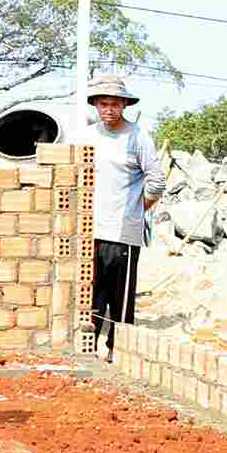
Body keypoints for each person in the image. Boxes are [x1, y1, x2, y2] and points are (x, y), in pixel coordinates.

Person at [78, 73, 164, 360]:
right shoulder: (88, 136)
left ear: (124, 105)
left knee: (121, 298)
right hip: (91, 229)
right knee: (92, 294)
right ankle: (88, 348)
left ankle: (118, 350)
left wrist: (137, 210)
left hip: (123, 232)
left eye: (115, 104)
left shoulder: (138, 137)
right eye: (104, 104)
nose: (109, 110)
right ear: (95, 105)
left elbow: (156, 182)